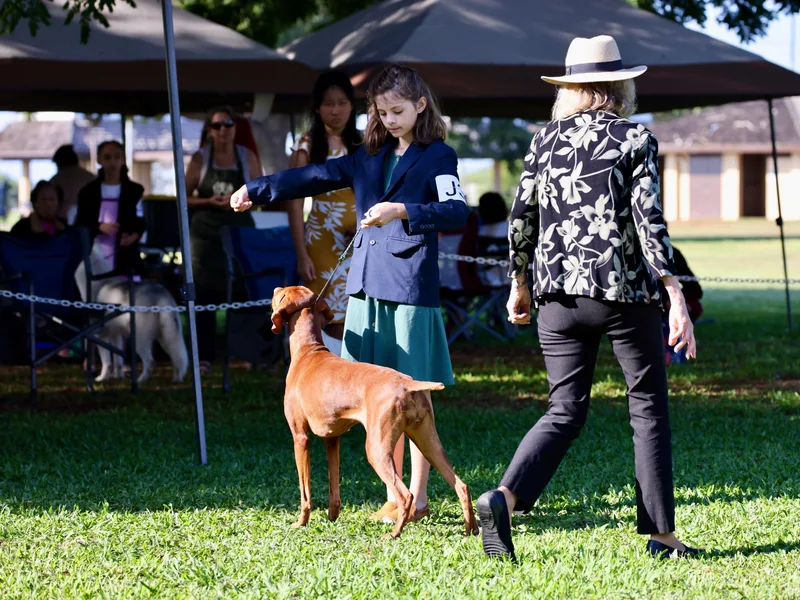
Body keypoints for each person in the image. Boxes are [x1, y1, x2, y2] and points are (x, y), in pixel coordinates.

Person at [476, 35, 702, 561]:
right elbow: (649, 221)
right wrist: (675, 292)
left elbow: (521, 219)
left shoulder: (543, 141)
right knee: (646, 408)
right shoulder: (634, 138)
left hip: (556, 297)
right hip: (622, 293)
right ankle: (662, 536)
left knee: (564, 409)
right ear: (619, 85)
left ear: (571, 88)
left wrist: (519, 282)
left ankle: (504, 496)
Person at [230, 64, 470, 525]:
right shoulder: (366, 156)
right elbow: (313, 176)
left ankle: (418, 497)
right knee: (375, 394)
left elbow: (455, 211)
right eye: (382, 111)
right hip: (364, 285)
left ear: (421, 105)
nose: (390, 119)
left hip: (409, 287)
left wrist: (402, 210)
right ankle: (395, 495)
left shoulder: (439, 155)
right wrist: (257, 189)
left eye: (398, 110)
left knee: (411, 390)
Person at [286, 71, 362, 355]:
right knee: (318, 311)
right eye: (329, 103)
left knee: (355, 310)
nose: (335, 110)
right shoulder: (305, 147)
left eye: (342, 102)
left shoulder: (364, 146)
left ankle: (353, 368)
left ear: (352, 106)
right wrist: (301, 253)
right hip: (318, 243)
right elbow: (293, 204)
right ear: (317, 108)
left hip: (357, 241)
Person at [184, 106, 263, 372]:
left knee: (243, 290)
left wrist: (244, 202)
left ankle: (242, 353)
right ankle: (204, 355)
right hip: (205, 238)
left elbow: (262, 191)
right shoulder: (199, 158)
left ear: (235, 128)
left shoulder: (247, 156)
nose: (223, 131)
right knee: (204, 294)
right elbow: (183, 198)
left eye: (228, 125)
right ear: (209, 131)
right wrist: (209, 201)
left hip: (240, 234)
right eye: (217, 126)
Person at [76, 140, 145, 277]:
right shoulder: (88, 192)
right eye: (107, 157)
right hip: (95, 253)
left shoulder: (134, 190)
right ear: (100, 160)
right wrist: (98, 226)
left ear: (123, 160)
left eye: (117, 157)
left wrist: (133, 236)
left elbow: (141, 221)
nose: (112, 162)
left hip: (125, 254)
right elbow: (80, 222)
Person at [50, 144, 95, 225]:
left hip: (63, 223)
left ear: (59, 163)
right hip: (88, 221)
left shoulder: (56, 180)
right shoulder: (91, 177)